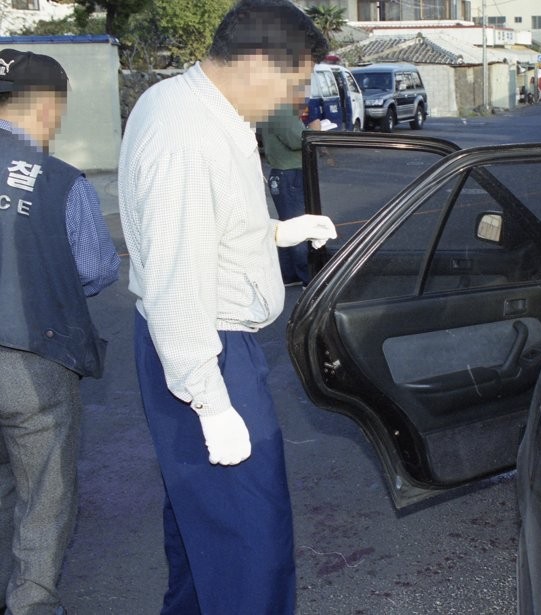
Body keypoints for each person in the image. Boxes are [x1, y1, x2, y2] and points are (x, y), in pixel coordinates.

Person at [117, 2, 335, 613]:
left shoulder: (194, 107)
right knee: (249, 539)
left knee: (202, 526)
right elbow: (173, 278)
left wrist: (275, 232)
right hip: (203, 348)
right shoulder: (186, 132)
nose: (293, 101)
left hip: (203, 342)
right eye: (294, 84)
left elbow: (206, 227)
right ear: (260, 63)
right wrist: (210, 402)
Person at [0, 49, 120, 614]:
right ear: (48, 107)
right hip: (33, 358)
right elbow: (95, 269)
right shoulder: (60, 181)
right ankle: (30, 605)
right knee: (44, 490)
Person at [263, 104, 320, 287]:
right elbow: (297, 140)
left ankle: (290, 274)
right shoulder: (281, 109)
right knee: (298, 225)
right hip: (290, 174)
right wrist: (314, 130)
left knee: (286, 224)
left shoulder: (269, 109)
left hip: (281, 173)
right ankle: (307, 277)